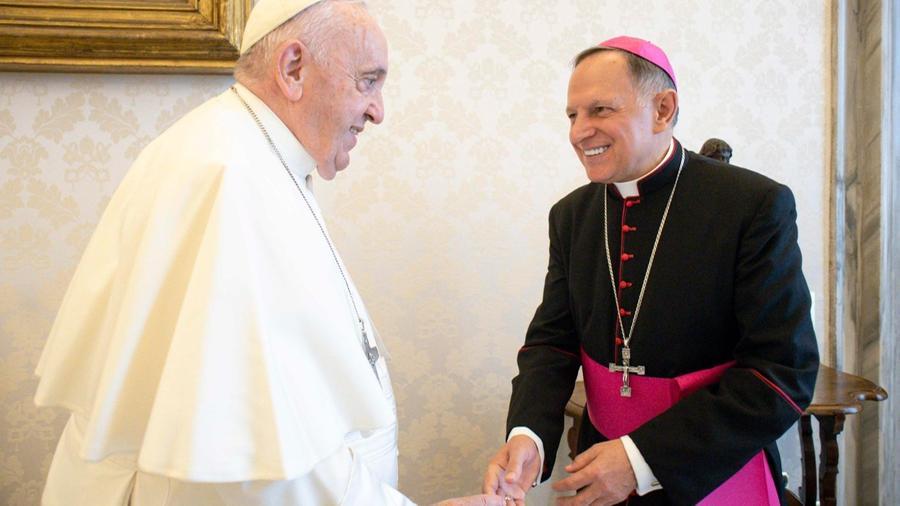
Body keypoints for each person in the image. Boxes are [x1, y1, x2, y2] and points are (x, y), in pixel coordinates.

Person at [34, 1, 501, 505]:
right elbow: (255, 462)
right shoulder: (231, 178)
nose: (378, 111)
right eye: (368, 81)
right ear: (293, 68)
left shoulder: (250, 152)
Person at [482, 36, 819, 505]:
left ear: (663, 109)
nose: (579, 132)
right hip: (599, 470)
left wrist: (641, 459)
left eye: (600, 110)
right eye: (572, 115)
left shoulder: (752, 205)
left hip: (711, 470)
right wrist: (529, 435)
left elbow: (783, 371)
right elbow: (552, 342)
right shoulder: (572, 215)